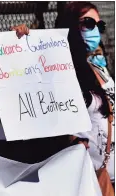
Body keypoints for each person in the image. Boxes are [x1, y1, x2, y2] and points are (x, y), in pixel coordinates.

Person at [53, 2, 115, 182]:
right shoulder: (59, 73)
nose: (95, 30)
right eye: (88, 23)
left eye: (99, 25)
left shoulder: (99, 70)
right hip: (87, 179)